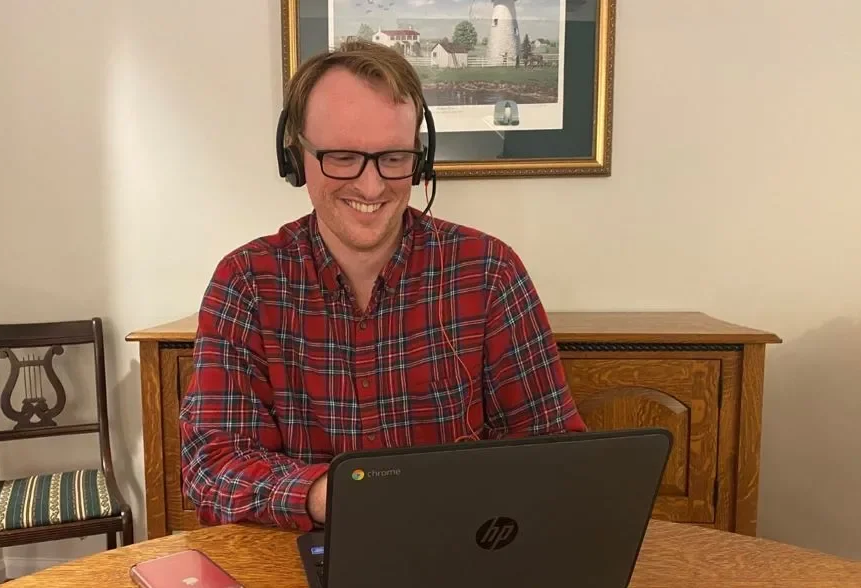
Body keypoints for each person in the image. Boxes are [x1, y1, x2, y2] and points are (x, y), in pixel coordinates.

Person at [179, 38, 586, 533]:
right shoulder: (245, 283)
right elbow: (211, 469)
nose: (371, 187)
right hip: (302, 556)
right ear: (296, 157)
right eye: (343, 157)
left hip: (458, 554)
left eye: (394, 158)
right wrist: (330, 494)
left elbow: (555, 451)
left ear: (422, 158)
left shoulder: (489, 272)